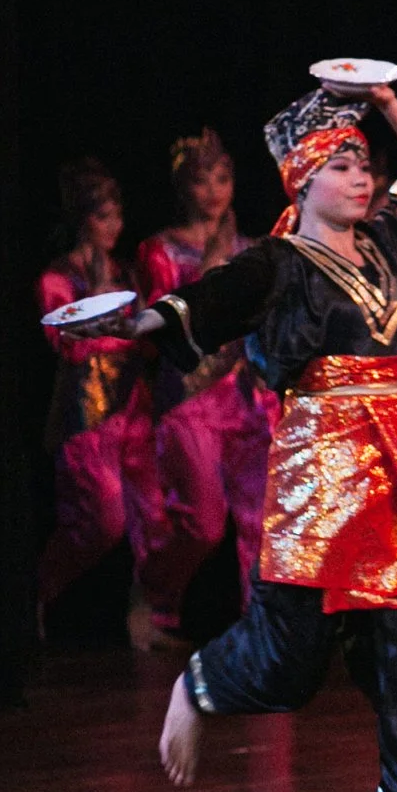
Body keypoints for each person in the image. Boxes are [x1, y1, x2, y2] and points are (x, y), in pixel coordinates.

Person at [75, 80, 397, 792]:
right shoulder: (277, 263)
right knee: (292, 660)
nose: (363, 178)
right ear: (302, 181)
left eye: (366, 164)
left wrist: (387, 101)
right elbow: (201, 303)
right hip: (322, 475)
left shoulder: (394, 237)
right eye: (343, 166)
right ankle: (203, 682)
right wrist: (136, 320)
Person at [133, 130, 279, 637]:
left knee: (259, 521)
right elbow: (161, 329)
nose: (215, 190)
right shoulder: (161, 250)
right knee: (203, 523)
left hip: (245, 398)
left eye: (224, 177)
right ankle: (153, 586)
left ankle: (258, 628)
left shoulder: (255, 248)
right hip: (189, 398)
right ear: (181, 186)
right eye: (201, 179)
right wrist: (215, 261)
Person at [35, 160, 157, 641]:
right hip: (87, 412)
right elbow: (65, 343)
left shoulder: (129, 271)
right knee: (104, 519)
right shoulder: (58, 278)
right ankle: (40, 591)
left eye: (118, 215)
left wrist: (140, 327)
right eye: (105, 217)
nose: (116, 227)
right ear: (84, 219)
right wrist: (101, 305)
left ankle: (145, 617)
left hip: (133, 405)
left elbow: (146, 336)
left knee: (154, 515)